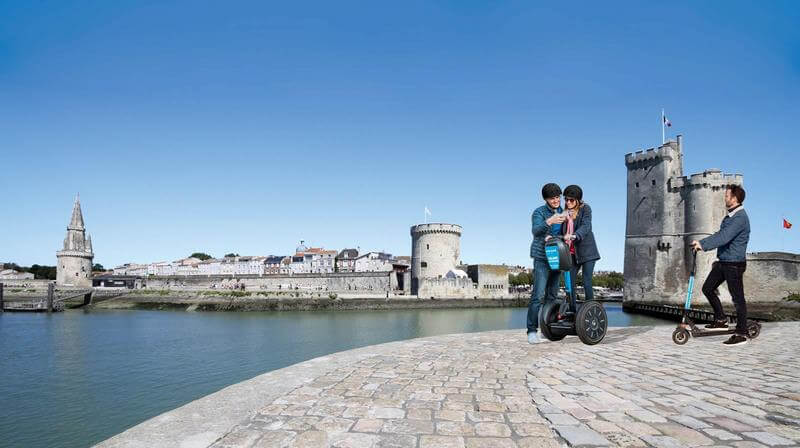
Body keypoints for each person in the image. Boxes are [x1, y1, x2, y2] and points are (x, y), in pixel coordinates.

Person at [691, 185, 750, 346]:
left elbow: (724, 237)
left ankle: (742, 333)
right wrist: (701, 243)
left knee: (738, 299)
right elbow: (719, 234)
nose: (724, 198)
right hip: (723, 262)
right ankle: (721, 319)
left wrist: (703, 245)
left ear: (735, 198)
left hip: (734, 264)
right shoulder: (730, 217)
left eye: (727, 196)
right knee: (708, 288)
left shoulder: (740, 218)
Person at [528, 183, 565, 344]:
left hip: (558, 257)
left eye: (558, 197)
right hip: (542, 258)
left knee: (552, 296)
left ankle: (546, 328)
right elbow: (535, 231)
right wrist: (550, 221)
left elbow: (565, 234)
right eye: (552, 198)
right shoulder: (539, 212)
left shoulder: (564, 212)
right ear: (546, 199)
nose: (556, 200)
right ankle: (531, 331)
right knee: (537, 296)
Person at [561, 185, 601, 303]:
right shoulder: (564, 214)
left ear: (577, 200)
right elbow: (558, 230)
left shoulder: (585, 209)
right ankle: (572, 309)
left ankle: (590, 307)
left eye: (571, 200)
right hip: (572, 253)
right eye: (566, 199)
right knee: (569, 282)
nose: (568, 202)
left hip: (587, 252)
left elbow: (586, 225)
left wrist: (575, 235)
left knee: (586, 280)